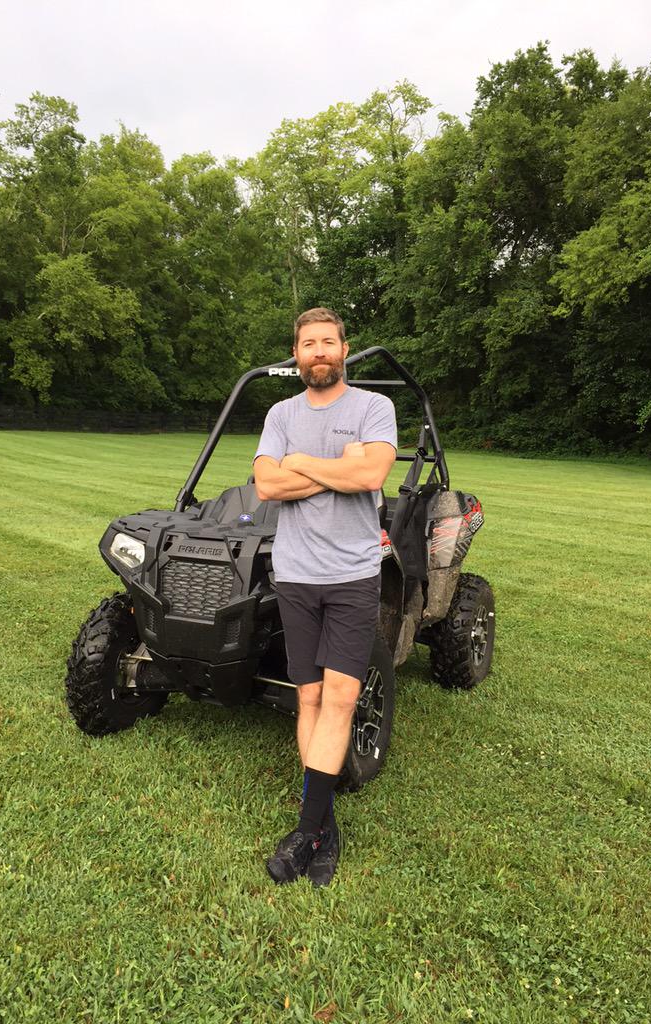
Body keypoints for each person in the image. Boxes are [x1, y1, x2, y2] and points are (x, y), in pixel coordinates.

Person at [252, 307, 397, 886]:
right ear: (297, 353)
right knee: (308, 697)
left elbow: (371, 476)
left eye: (328, 342)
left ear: (344, 349)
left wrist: (302, 464)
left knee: (340, 697)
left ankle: (306, 832)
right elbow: (266, 485)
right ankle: (325, 825)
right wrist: (341, 465)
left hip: (352, 575)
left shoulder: (372, 407)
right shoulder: (280, 413)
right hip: (295, 574)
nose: (318, 351)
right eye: (308, 343)